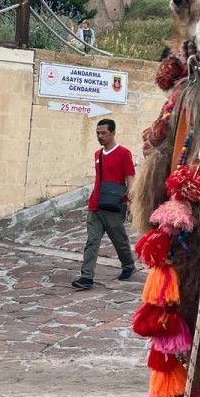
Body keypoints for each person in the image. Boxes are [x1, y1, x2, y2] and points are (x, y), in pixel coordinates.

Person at [73, 118, 136, 291]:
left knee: (119, 240)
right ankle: (86, 277)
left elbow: (130, 177)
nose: (100, 136)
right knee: (92, 241)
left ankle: (128, 265)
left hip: (114, 205)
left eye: (104, 133)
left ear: (113, 133)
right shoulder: (97, 154)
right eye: (98, 133)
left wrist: (131, 200)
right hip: (95, 204)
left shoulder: (124, 153)